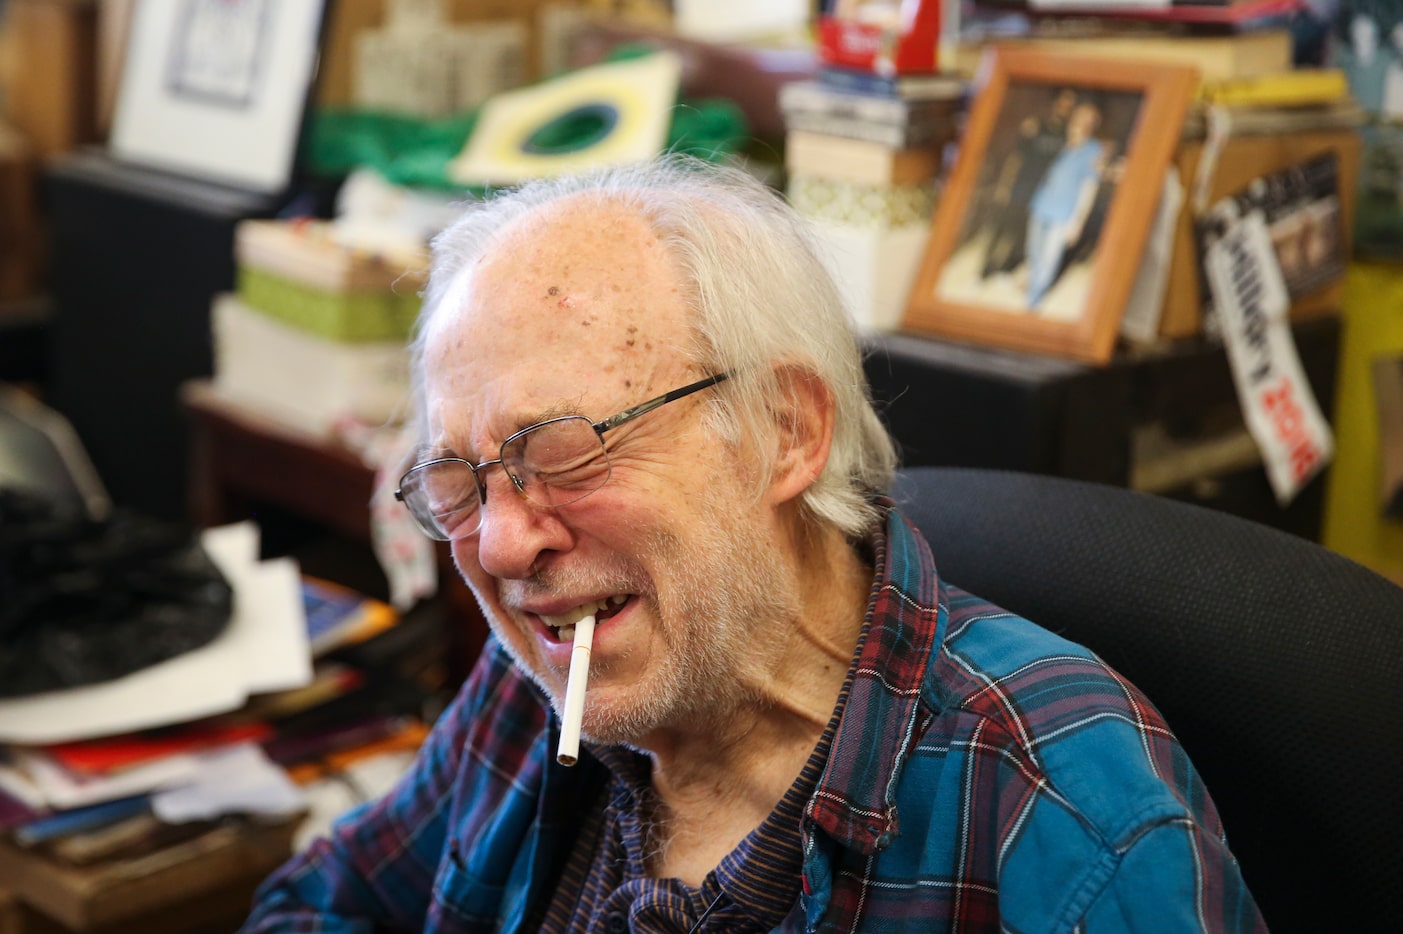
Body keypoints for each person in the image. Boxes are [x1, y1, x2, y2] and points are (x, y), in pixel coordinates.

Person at [240, 155, 1265, 932]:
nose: (504, 544)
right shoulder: (546, 680)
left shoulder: (1058, 811)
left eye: (563, 449)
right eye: (461, 480)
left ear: (784, 432)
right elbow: (319, 903)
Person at [979, 87, 1075, 281]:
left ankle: (1006, 270)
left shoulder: (1068, 135)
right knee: (1003, 228)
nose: (1065, 108)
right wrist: (1004, 185)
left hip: (1044, 194)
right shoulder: (1036, 126)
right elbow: (1016, 158)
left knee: (1025, 236)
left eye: (1070, 105)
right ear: (1054, 103)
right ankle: (985, 269)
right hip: (1020, 187)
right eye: (1063, 103)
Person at [1024, 100, 1107, 309]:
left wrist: (1077, 222)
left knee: (1048, 258)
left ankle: (1034, 300)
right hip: (1042, 203)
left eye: (1089, 119)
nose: (1083, 121)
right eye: (1080, 116)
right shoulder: (1059, 140)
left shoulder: (1093, 150)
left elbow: (1089, 188)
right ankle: (1033, 287)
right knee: (1033, 251)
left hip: (1064, 212)